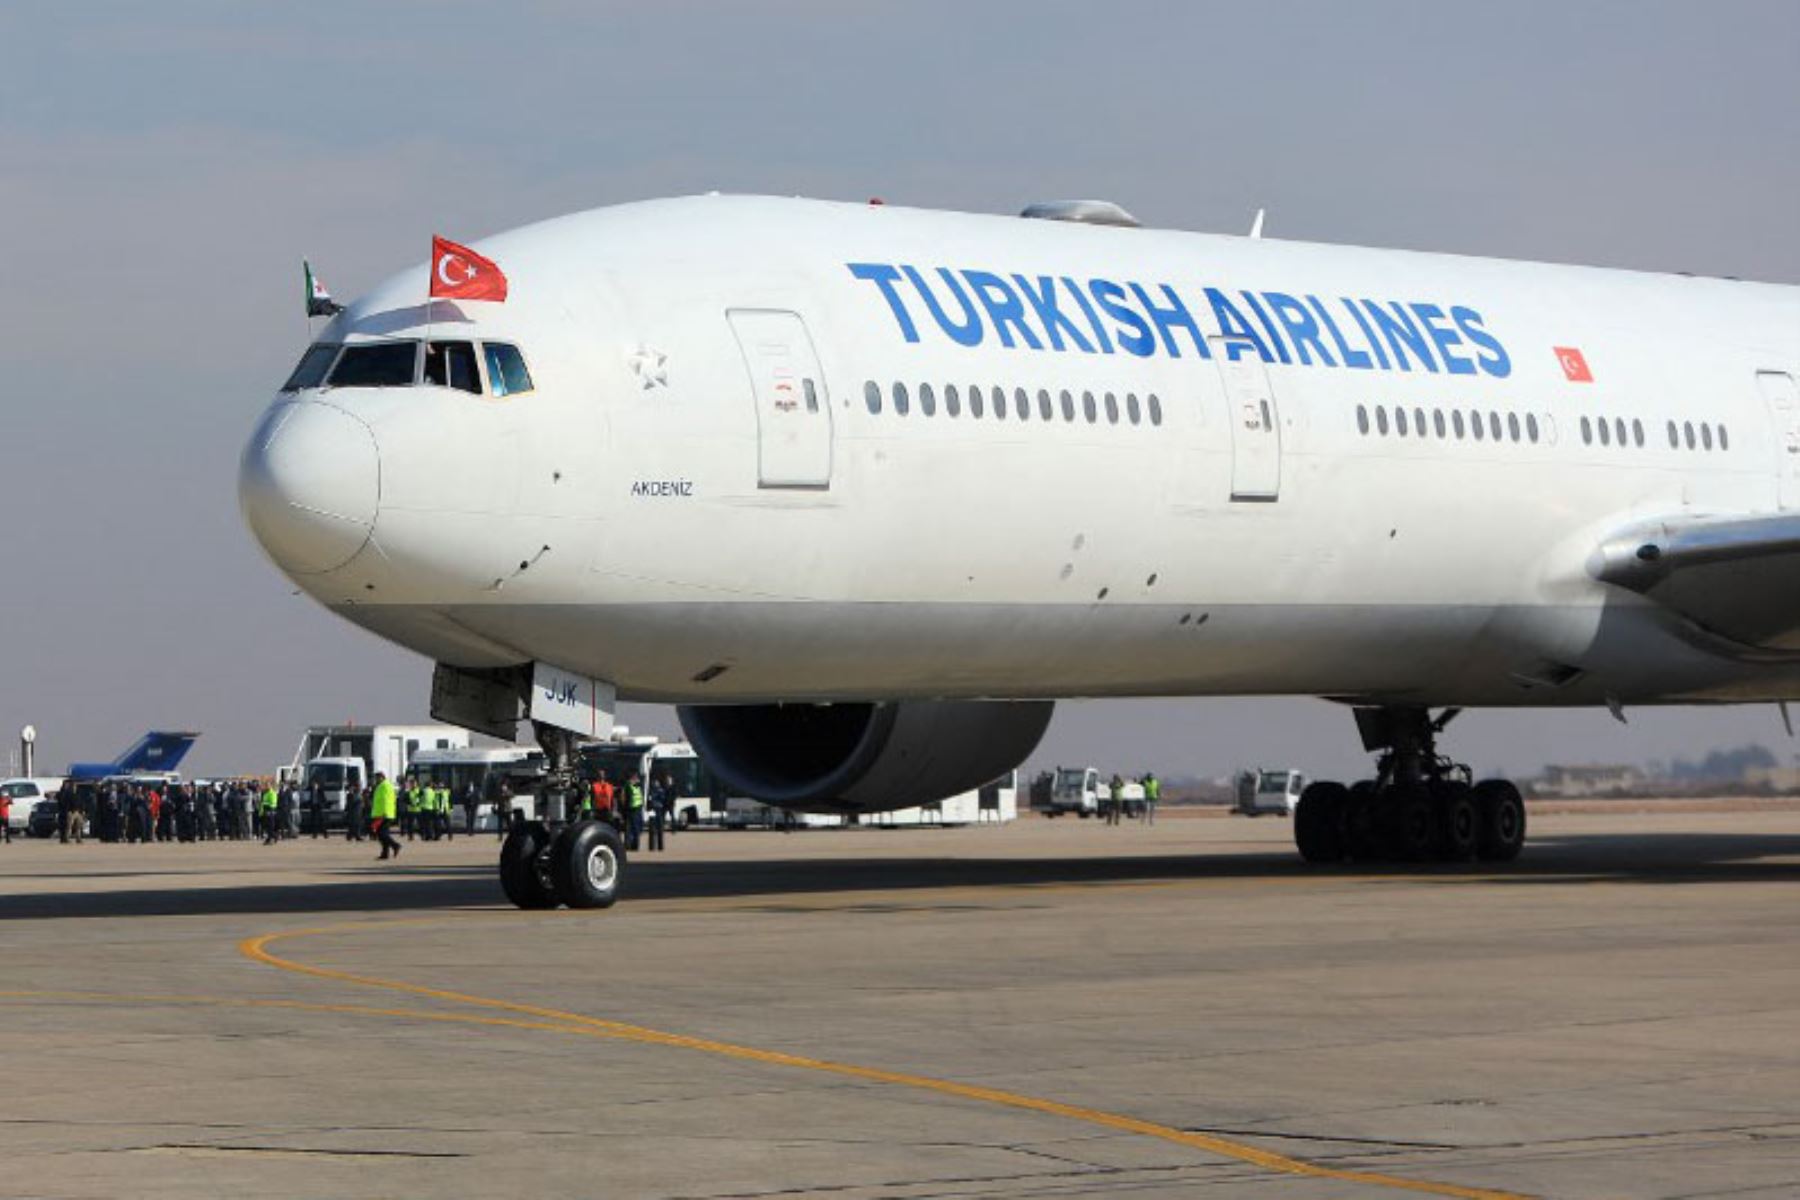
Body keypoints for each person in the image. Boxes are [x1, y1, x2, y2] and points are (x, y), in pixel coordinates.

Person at [369, 772, 402, 861]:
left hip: (384, 814)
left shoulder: (384, 786)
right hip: (383, 813)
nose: (375, 780)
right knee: (382, 834)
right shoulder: (383, 786)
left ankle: (395, 845)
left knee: (382, 834)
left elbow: (386, 800)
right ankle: (385, 853)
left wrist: (384, 813)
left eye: (377, 778)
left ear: (382, 777)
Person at [624, 772, 645, 851]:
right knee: (634, 829)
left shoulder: (629, 786)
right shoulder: (639, 786)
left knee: (630, 828)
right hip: (637, 809)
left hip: (632, 809)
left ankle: (630, 845)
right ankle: (634, 846)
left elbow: (625, 798)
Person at [259, 780, 280, 844]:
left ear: (270, 786)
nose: (266, 786)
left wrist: (266, 805)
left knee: (270, 827)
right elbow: (262, 803)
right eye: (265, 785)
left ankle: (272, 838)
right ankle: (270, 838)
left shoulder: (272, 793)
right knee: (267, 827)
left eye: (267, 785)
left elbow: (273, 803)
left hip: (270, 811)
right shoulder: (265, 793)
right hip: (265, 812)